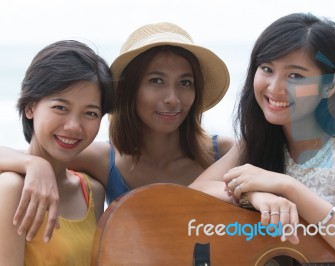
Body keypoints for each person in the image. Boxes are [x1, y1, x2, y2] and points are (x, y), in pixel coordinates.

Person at [190, 13, 335, 264]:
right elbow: (193, 194)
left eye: (296, 76)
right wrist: (254, 195)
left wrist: (290, 189)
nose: (275, 87)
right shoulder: (259, 140)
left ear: (330, 85)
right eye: (267, 69)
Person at [0, 22, 234, 242]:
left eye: (185, 83)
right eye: (156, 81)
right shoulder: (103, 160)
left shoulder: (224, 153)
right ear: (130, 90)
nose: (173, 99)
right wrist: (33, 164)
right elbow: (18, 154)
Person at [0, 40, 115, 265]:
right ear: (30, 107)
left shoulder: (92, 191)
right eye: (60, 108)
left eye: (90, 113)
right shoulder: (12, 188)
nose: (74, 126)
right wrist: (34, 164)